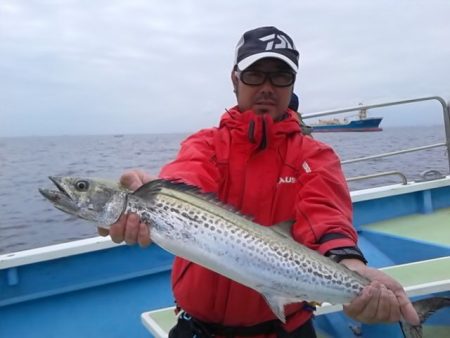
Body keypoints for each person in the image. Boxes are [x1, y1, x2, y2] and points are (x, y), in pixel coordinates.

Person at [98, 26, 419, 337]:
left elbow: (326, 218)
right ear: (235, 79)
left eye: (280, 76)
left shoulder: (316, 156)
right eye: (254, 74)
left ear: (293, 84)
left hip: (286, 331)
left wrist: (350, 264)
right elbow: (186, 178)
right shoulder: (206, 145)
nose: (267, 87)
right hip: (196, 329)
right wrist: (160, 194)